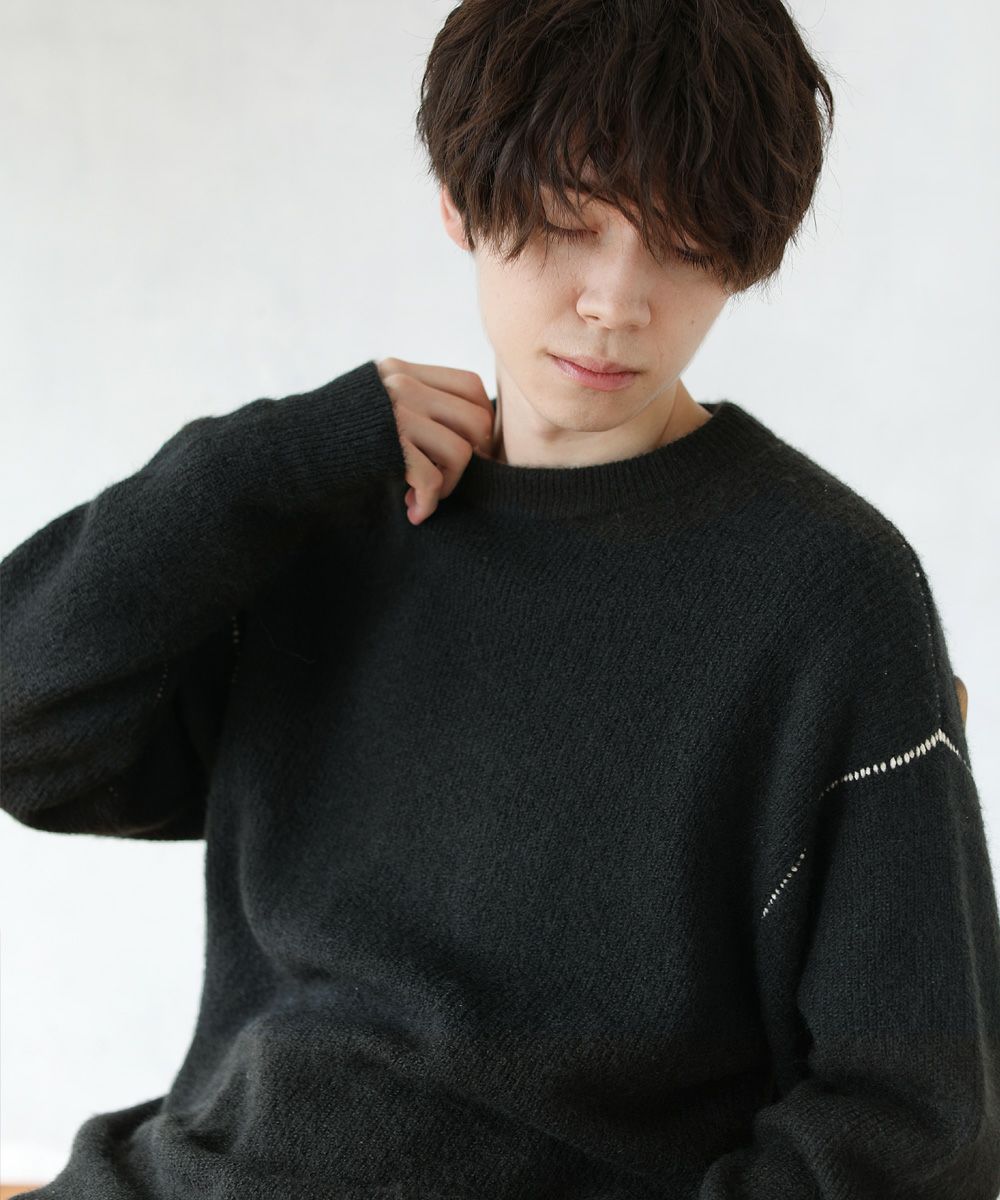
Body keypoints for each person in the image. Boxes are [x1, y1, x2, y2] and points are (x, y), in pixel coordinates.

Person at [3, 1, 999, 1197]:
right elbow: (26, 729)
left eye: (683, 243)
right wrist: (248, 468)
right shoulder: (328, 520)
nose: (616, 302)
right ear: (460, 200)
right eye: (568, 223)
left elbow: (917, 1121)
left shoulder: (827, 598)